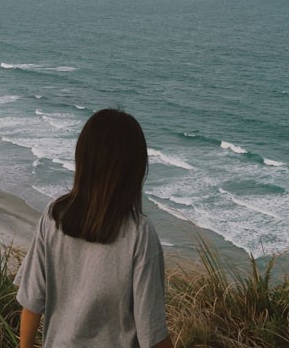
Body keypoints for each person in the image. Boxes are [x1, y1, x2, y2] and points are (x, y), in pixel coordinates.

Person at [15, 108, 174, 348]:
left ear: (83, 160)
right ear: (134, 170)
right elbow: (152, 335)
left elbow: (31, 305)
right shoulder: (140, 235)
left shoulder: (54, 215)